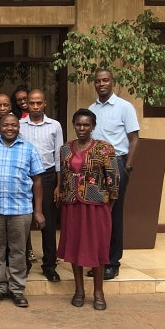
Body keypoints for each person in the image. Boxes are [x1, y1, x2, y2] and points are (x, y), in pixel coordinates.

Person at [57, 109, 119, 310]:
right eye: (78, 124)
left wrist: (108, 203)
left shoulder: (104, 149)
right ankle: (79, 290)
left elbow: (113, 178)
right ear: (73, 125)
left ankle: (98, 292)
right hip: (72, 205)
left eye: (86, 125)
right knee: (74, 247)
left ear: (93, 126)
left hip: (96, 206)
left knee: (97, 247)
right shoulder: (66, 149)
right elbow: (64, 175)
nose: (82, 128)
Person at [0, 114, 45, 309]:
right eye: (6, 125)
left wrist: (38, 211)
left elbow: (37, 181)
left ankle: (17, 290)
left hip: (21, 209)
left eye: (14, 125)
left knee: (18, 250)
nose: (10, 128)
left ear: (19, 127)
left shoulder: (28, 149)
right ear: (0, 126)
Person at [88, 69, 139, 280]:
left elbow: (134, 138)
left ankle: (112, 262)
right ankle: (99, 260)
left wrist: (127, 166)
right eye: (98, 81)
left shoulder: (124, 107)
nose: (102, 84)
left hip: (117, 163)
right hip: (94, 166)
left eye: (105, 80)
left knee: (113, 213)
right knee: (97, 214)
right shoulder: (91, 109)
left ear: (112, 82)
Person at [19, 89, 64, 282]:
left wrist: (58, 185)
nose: (35, 107)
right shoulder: (19, 125)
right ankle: (24, 263)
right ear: (26, 104)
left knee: (47, 222)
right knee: (22, 222)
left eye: (39, 103)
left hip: (46, 177)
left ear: (45, 104)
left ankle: (49, 265)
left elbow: (59, 156)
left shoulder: (55, 126)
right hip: (23, 177)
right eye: (32, 103)